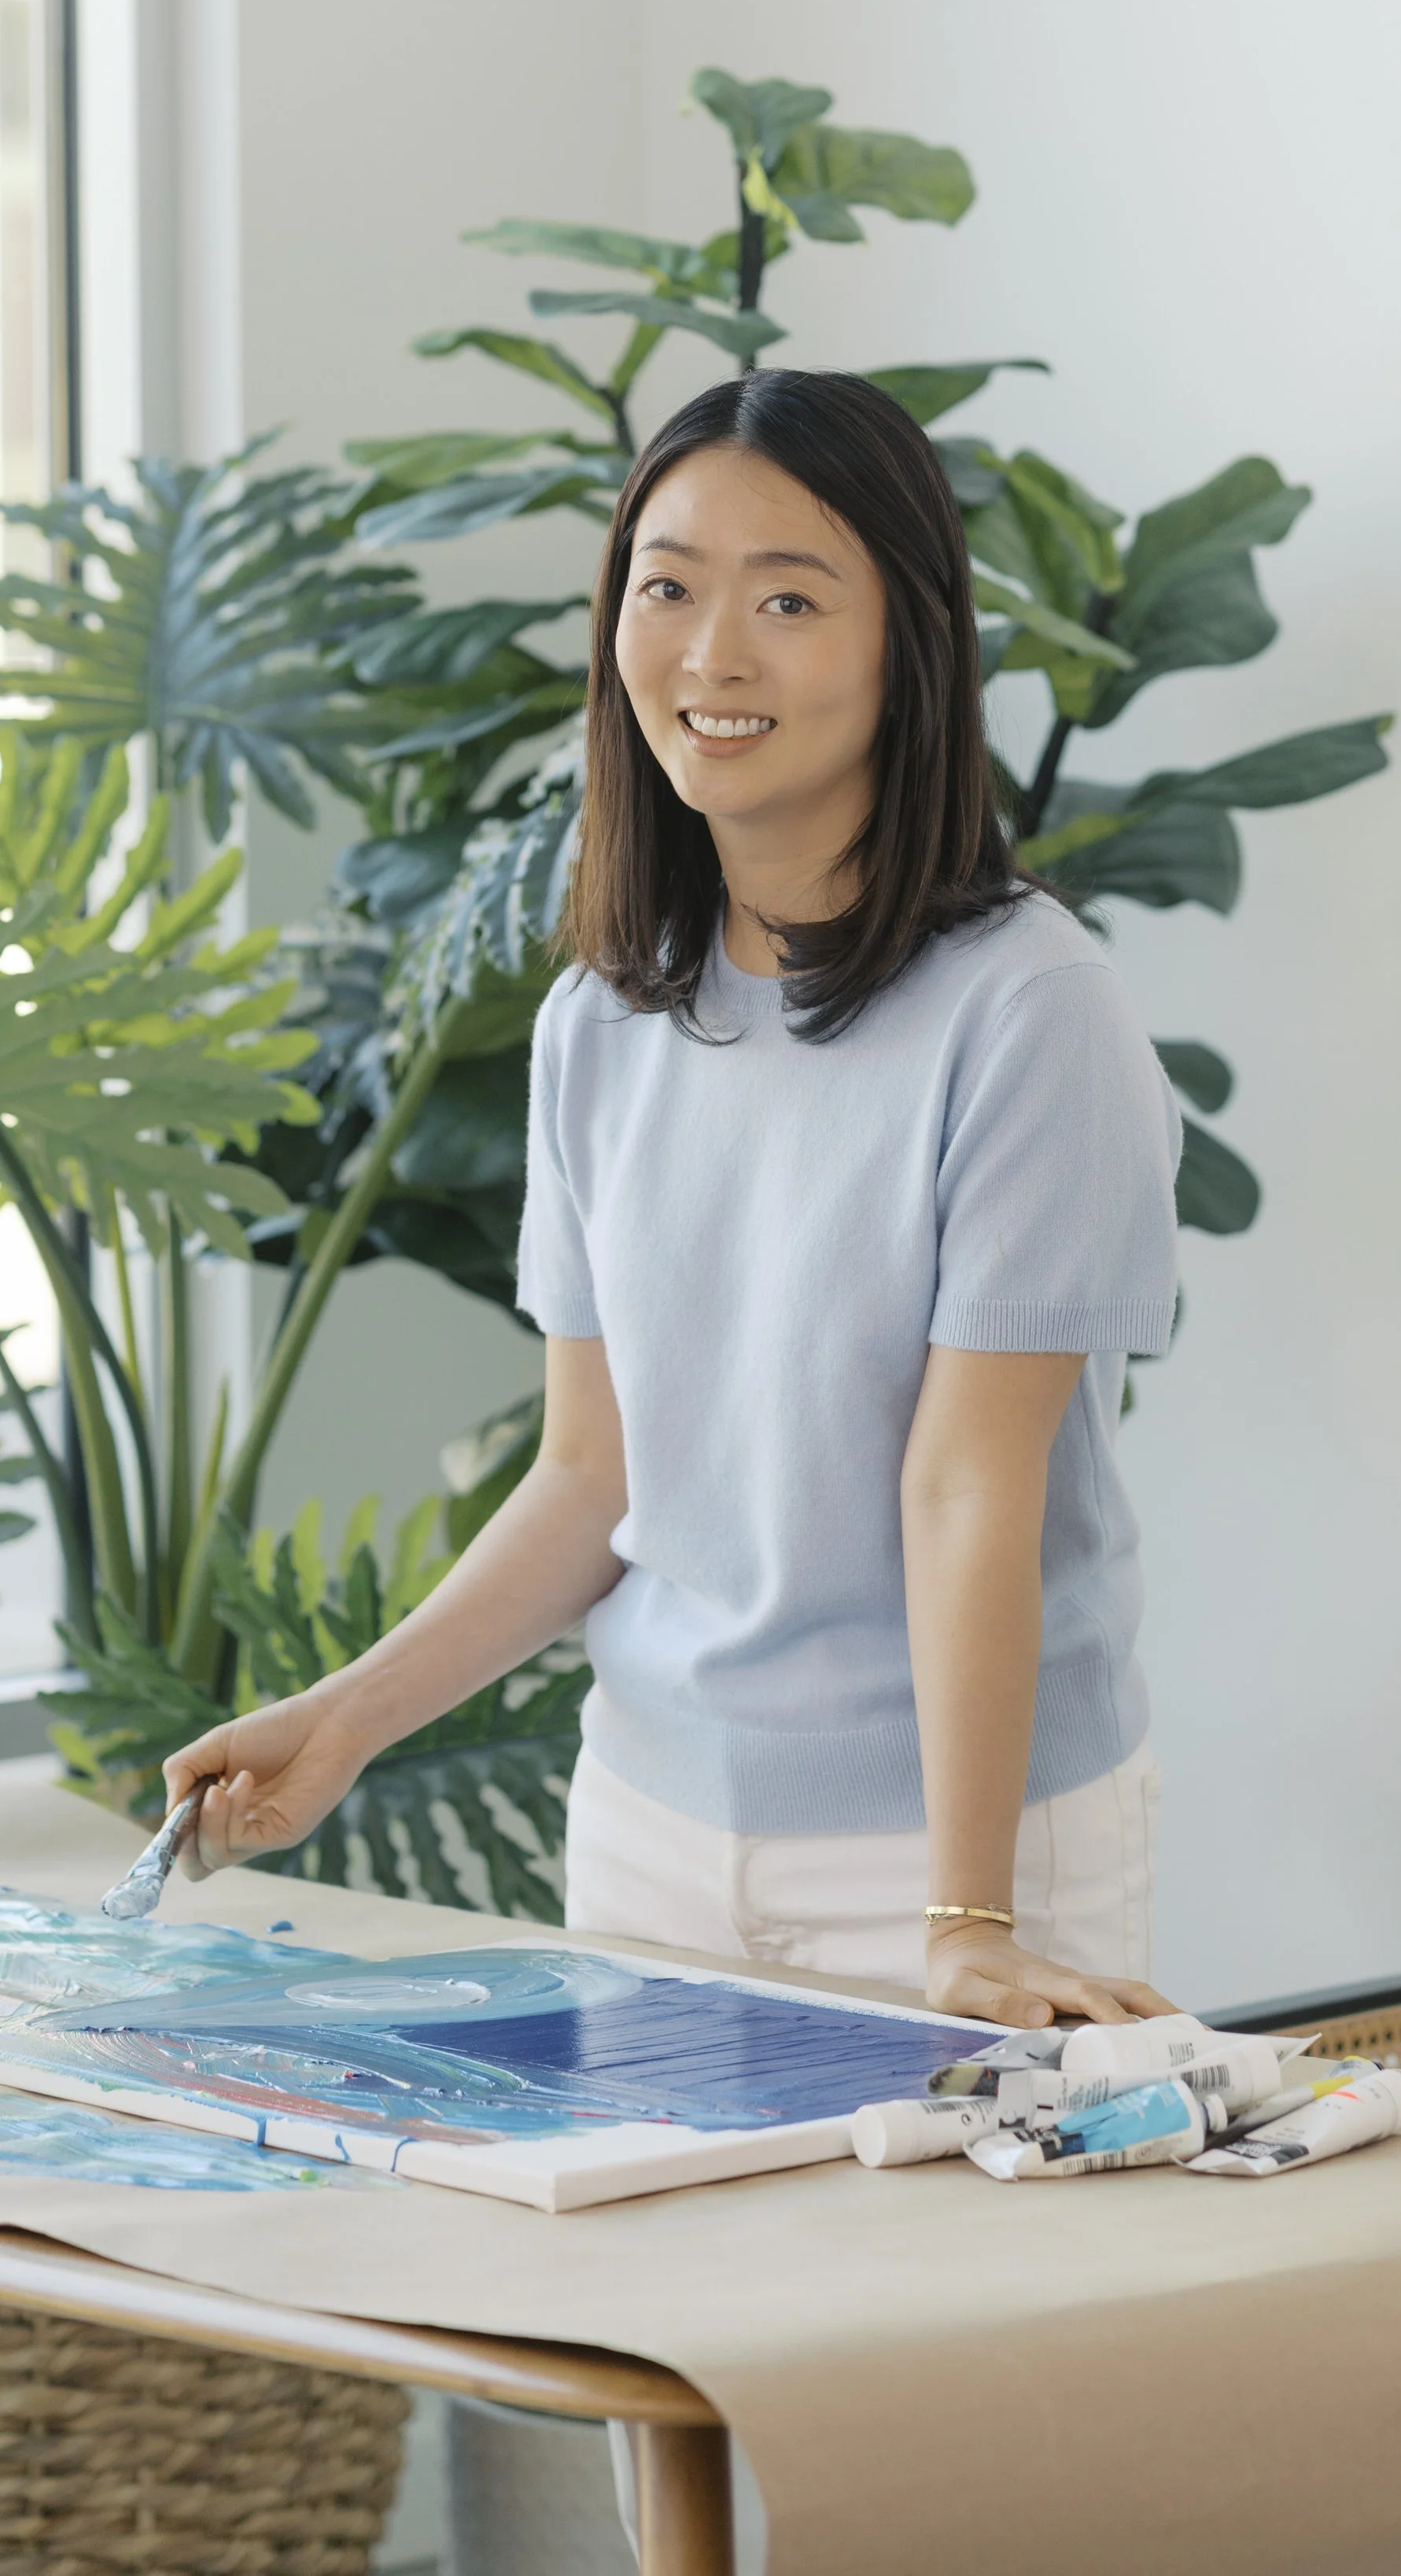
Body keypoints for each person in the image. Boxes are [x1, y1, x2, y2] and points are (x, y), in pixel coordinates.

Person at [164, 367, 1183, 2031]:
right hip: (646, 1833)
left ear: (909, 642)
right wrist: (343, 1721)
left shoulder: (1029, 1010)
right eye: (668, 588)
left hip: (951, 1852)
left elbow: (966, 1490)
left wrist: (967, 1917)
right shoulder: (597, 1020)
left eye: (788, 599)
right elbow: (595, 1473)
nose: (712, 655)